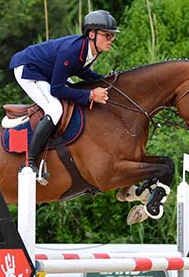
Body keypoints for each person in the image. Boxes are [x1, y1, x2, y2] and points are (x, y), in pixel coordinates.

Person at [9, 9, 118, 181]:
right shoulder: (72, 50)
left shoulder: (90, 49)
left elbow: (81, 71)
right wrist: (90, 95)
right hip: (28, 69)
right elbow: (57, 90)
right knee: (54, 108)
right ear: (91, 34)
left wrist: (103, 80)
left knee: (74, 97)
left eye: (112, 36)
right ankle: (29, 163)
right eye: (107, 35)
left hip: (46, 71)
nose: (111, 40)